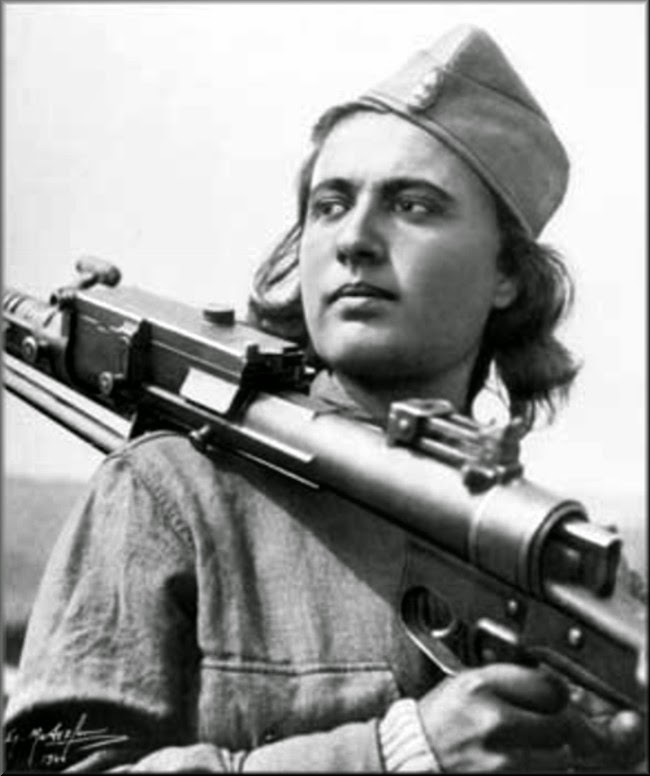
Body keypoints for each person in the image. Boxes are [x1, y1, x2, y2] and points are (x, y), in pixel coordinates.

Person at [3, 24, 644, 773]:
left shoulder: (554, 566)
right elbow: (49, 763)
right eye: (330, 204)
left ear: (507, 272)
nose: (354, 240)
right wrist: (393, 755)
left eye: (414, 206)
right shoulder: (172, 494)